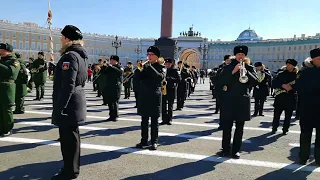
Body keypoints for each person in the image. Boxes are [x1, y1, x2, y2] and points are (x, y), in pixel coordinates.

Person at [51, 25, 87, 180]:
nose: (60, 39)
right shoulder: (81, 55)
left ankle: (69, 171)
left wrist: (60, 106)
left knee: (68, 140)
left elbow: (68, 84)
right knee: (73, 138)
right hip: (75, 101)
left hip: (69, 103)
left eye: (62, 37)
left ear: (67, 38)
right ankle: (72, 168)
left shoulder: (70, 56)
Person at [217, 45, 258, 159]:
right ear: (235, 55)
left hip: (242, 100)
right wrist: (233, 72)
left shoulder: (249, 67)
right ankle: (225, 149)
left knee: (240, 128)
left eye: (242, 55)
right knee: (227, 127)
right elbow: (220, 81)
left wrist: (246, 72)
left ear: (245, 56)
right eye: (239, 54)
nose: (240, 56)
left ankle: (236, 150)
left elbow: (255, 82)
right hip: (229, 100)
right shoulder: (228, 67)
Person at [135, 46, 165, 150]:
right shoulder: (145, 67)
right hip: (144, 96)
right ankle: (143, 141)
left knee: (154, 121)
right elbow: (138, 79)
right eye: (148, 54)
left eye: (151, 55)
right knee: (144, 120)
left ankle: (154, 142)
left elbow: (159, 77)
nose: (149, 56)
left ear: (157, 56)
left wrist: (150, 67)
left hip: (154, 96)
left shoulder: (161, 67)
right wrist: (138, 70)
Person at [294, 49, 320, 165]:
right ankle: (303, 157)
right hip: (307, 108)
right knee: (305, 135)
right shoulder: (304, 72)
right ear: (313, 59)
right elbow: (298, 87)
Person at [271, 59, 298, 135]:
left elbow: (300, 85)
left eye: (290, 64)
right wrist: (282, 85)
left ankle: (285, 129)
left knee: (288, 115)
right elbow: (274, 83)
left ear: (294, 66)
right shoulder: (281, 74)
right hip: (280, 97)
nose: (288, 65)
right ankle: (274, 128)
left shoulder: (297, 75)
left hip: (291, 97)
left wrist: (292, 87)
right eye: (287, 64)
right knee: (276, 115)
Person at [0, 43, 20, 137]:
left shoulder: (14, 61)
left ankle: (7, 129)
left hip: (7, 87)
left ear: (6, 50)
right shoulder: (2, 60)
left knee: (6, 109)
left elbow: (10, 72)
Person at [99, 55, 123, 121]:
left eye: (113, 60)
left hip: (116, 87)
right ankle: (111, 115)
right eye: (111, 60)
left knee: (115, 101)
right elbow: (103, 72)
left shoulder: (119, 67)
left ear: (116, 61)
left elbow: (120, 72)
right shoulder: (109, 67)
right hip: (109, 86)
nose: (111, 61)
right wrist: (103, 66)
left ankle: (115, 115)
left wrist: (111, 66)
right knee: (109, 101)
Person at [160, 57, 181, 125]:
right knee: (163, 106)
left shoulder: (174, 71)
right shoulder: (163, 70)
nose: (167, 65)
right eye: (166, 64)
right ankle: (164, 119)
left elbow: (179, 79)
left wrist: (170, 79)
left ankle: (169, 119)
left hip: (171, 90)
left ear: (171, 64)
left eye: (168, 64)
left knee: (170, 106)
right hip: (164, 89)